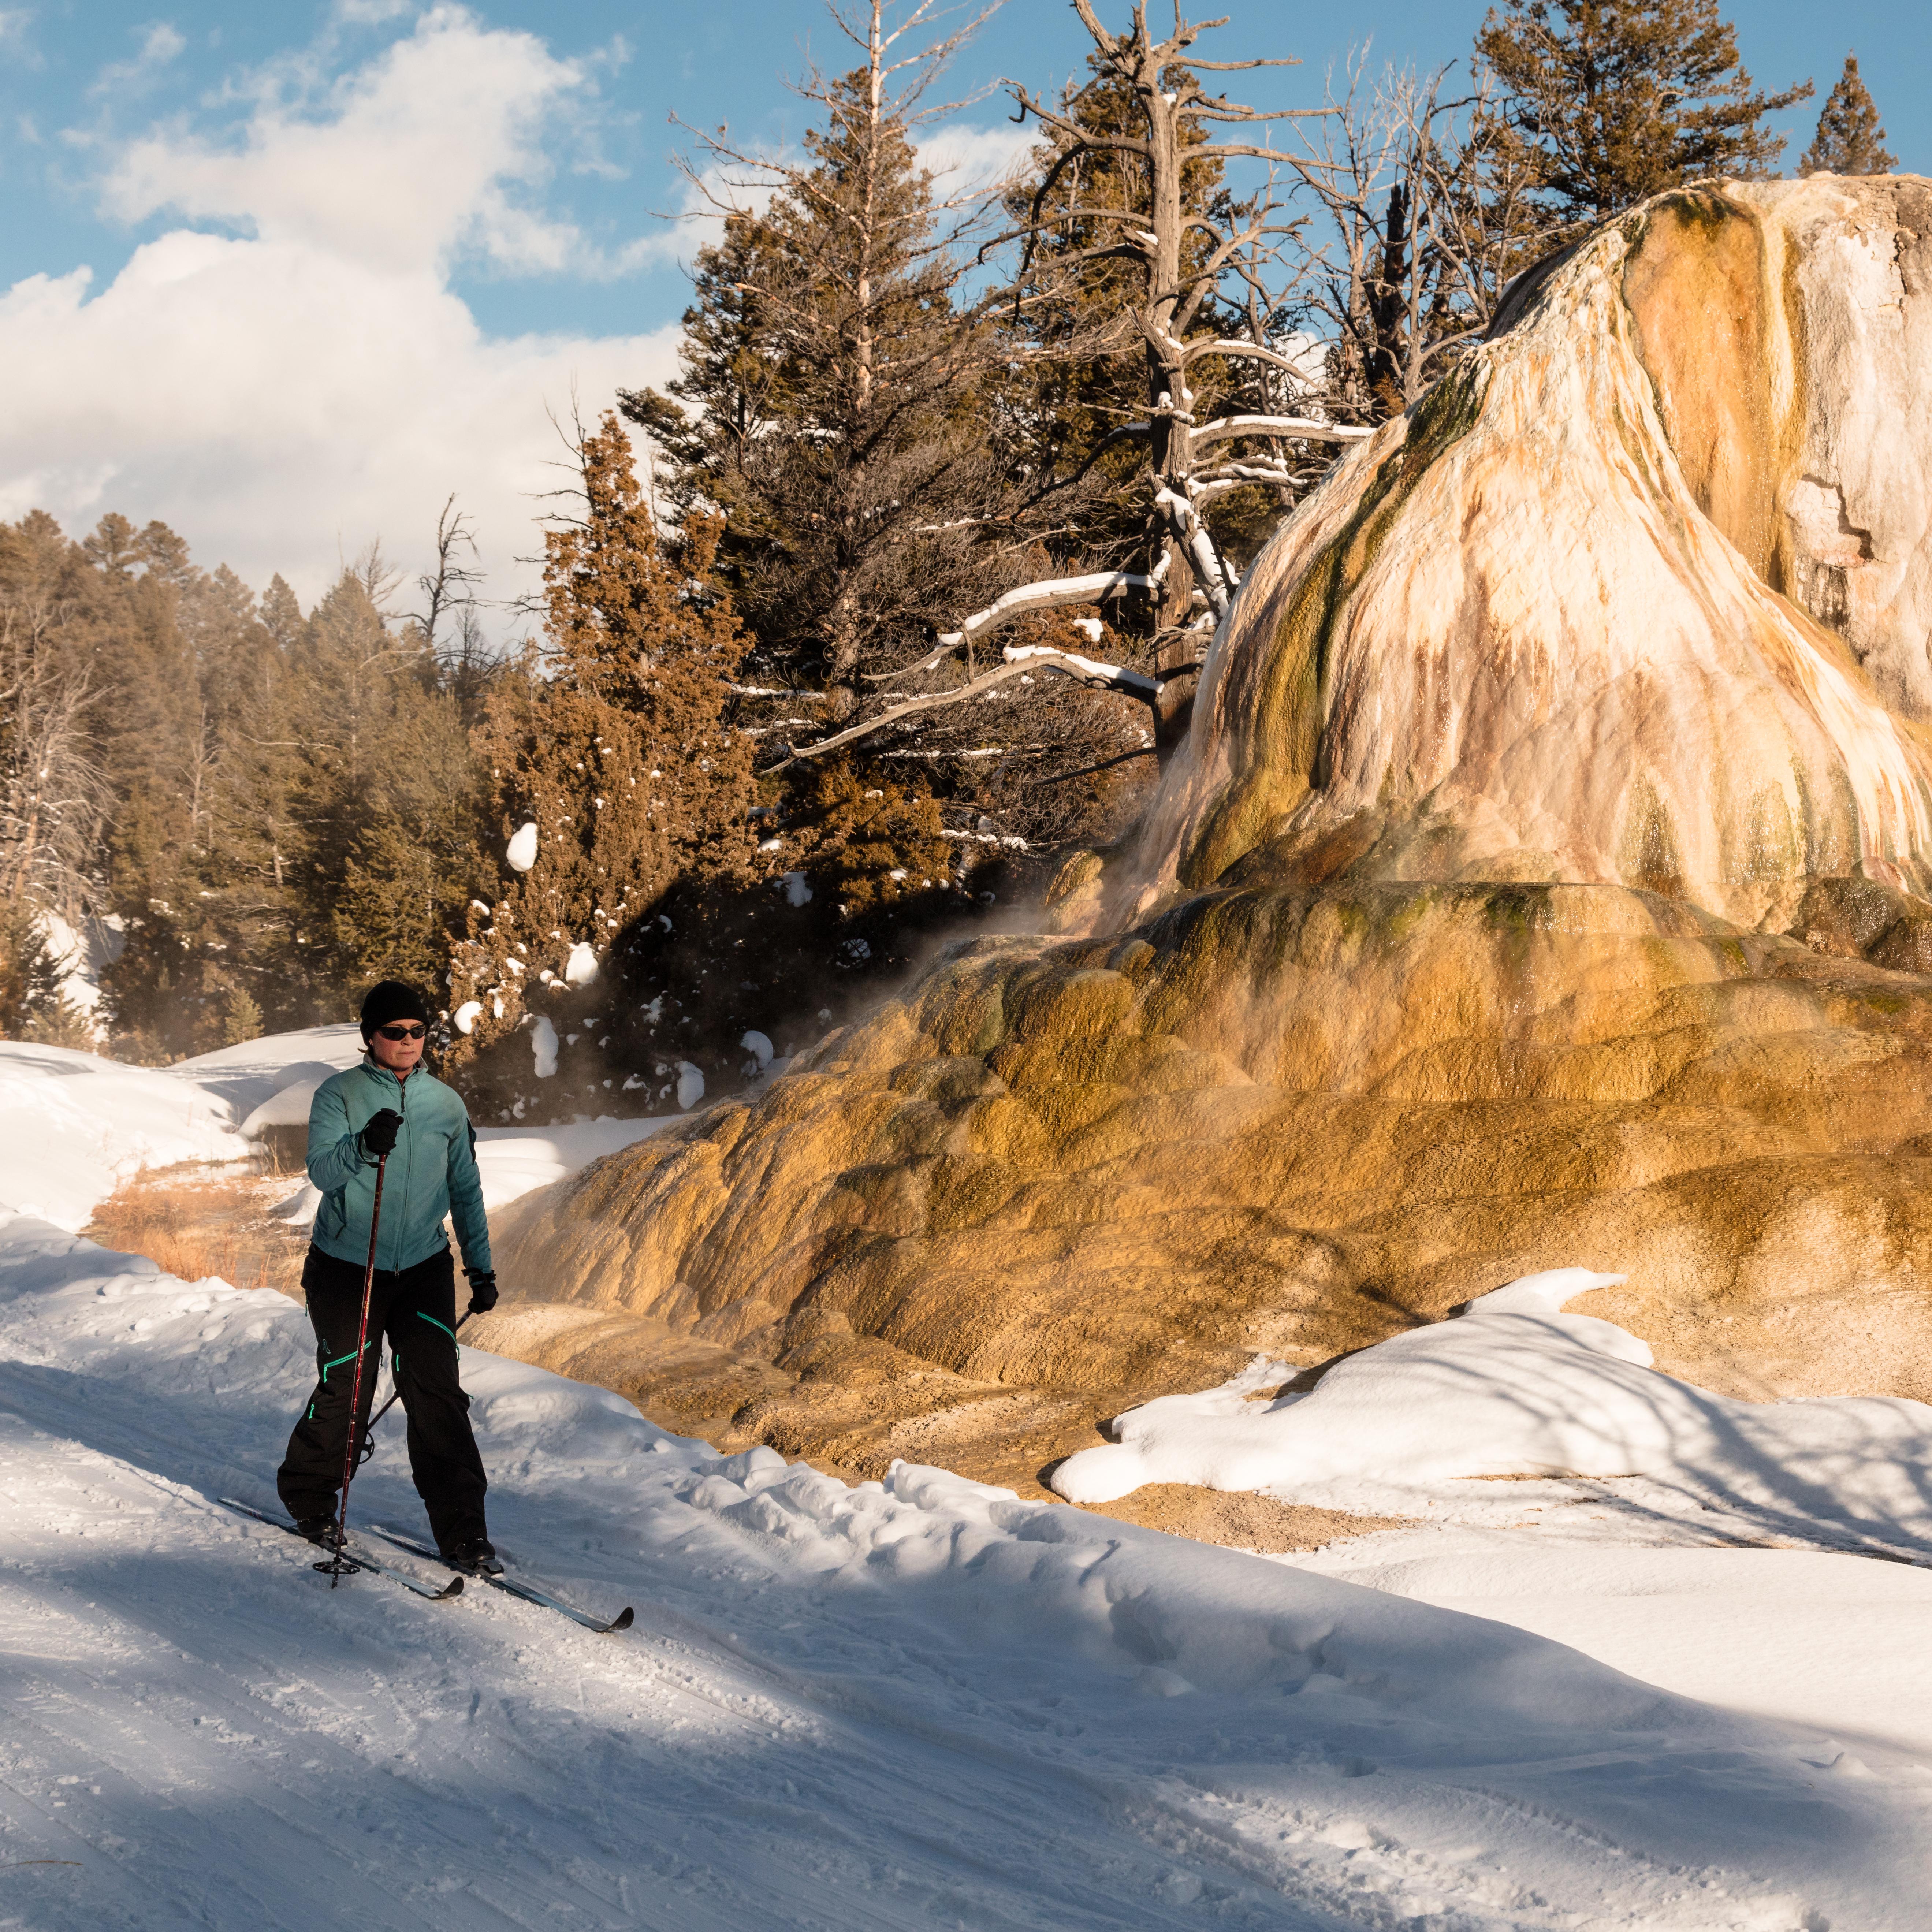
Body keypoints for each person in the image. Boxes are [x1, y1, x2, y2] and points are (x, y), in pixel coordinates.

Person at [275, 979, 502, 1571]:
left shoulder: (446, 1105)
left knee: (438, 1394)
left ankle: (465, 1534)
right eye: (394, 1032)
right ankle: (309, 1496)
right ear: (369, 1036)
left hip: (424, 1266)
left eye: (418, 1031)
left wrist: (480, 1267)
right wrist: (363, 1145)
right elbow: (324, 1172)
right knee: (349, 1381)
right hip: (347, 1266)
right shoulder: (338, 1094)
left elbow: (466, 1191)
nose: (408, 1041)